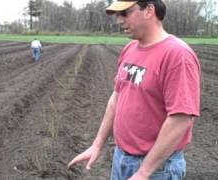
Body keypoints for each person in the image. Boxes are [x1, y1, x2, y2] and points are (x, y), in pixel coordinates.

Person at [68, 0, 201, 180]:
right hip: (121, 159)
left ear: (149, 10)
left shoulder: (177, 55)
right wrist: (97, 144)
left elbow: (180, 118)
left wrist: (143, 172)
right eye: (117, 15)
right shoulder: (130, 49)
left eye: (125, 13)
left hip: (157, 168)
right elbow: (116, 98)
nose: (119, 20)